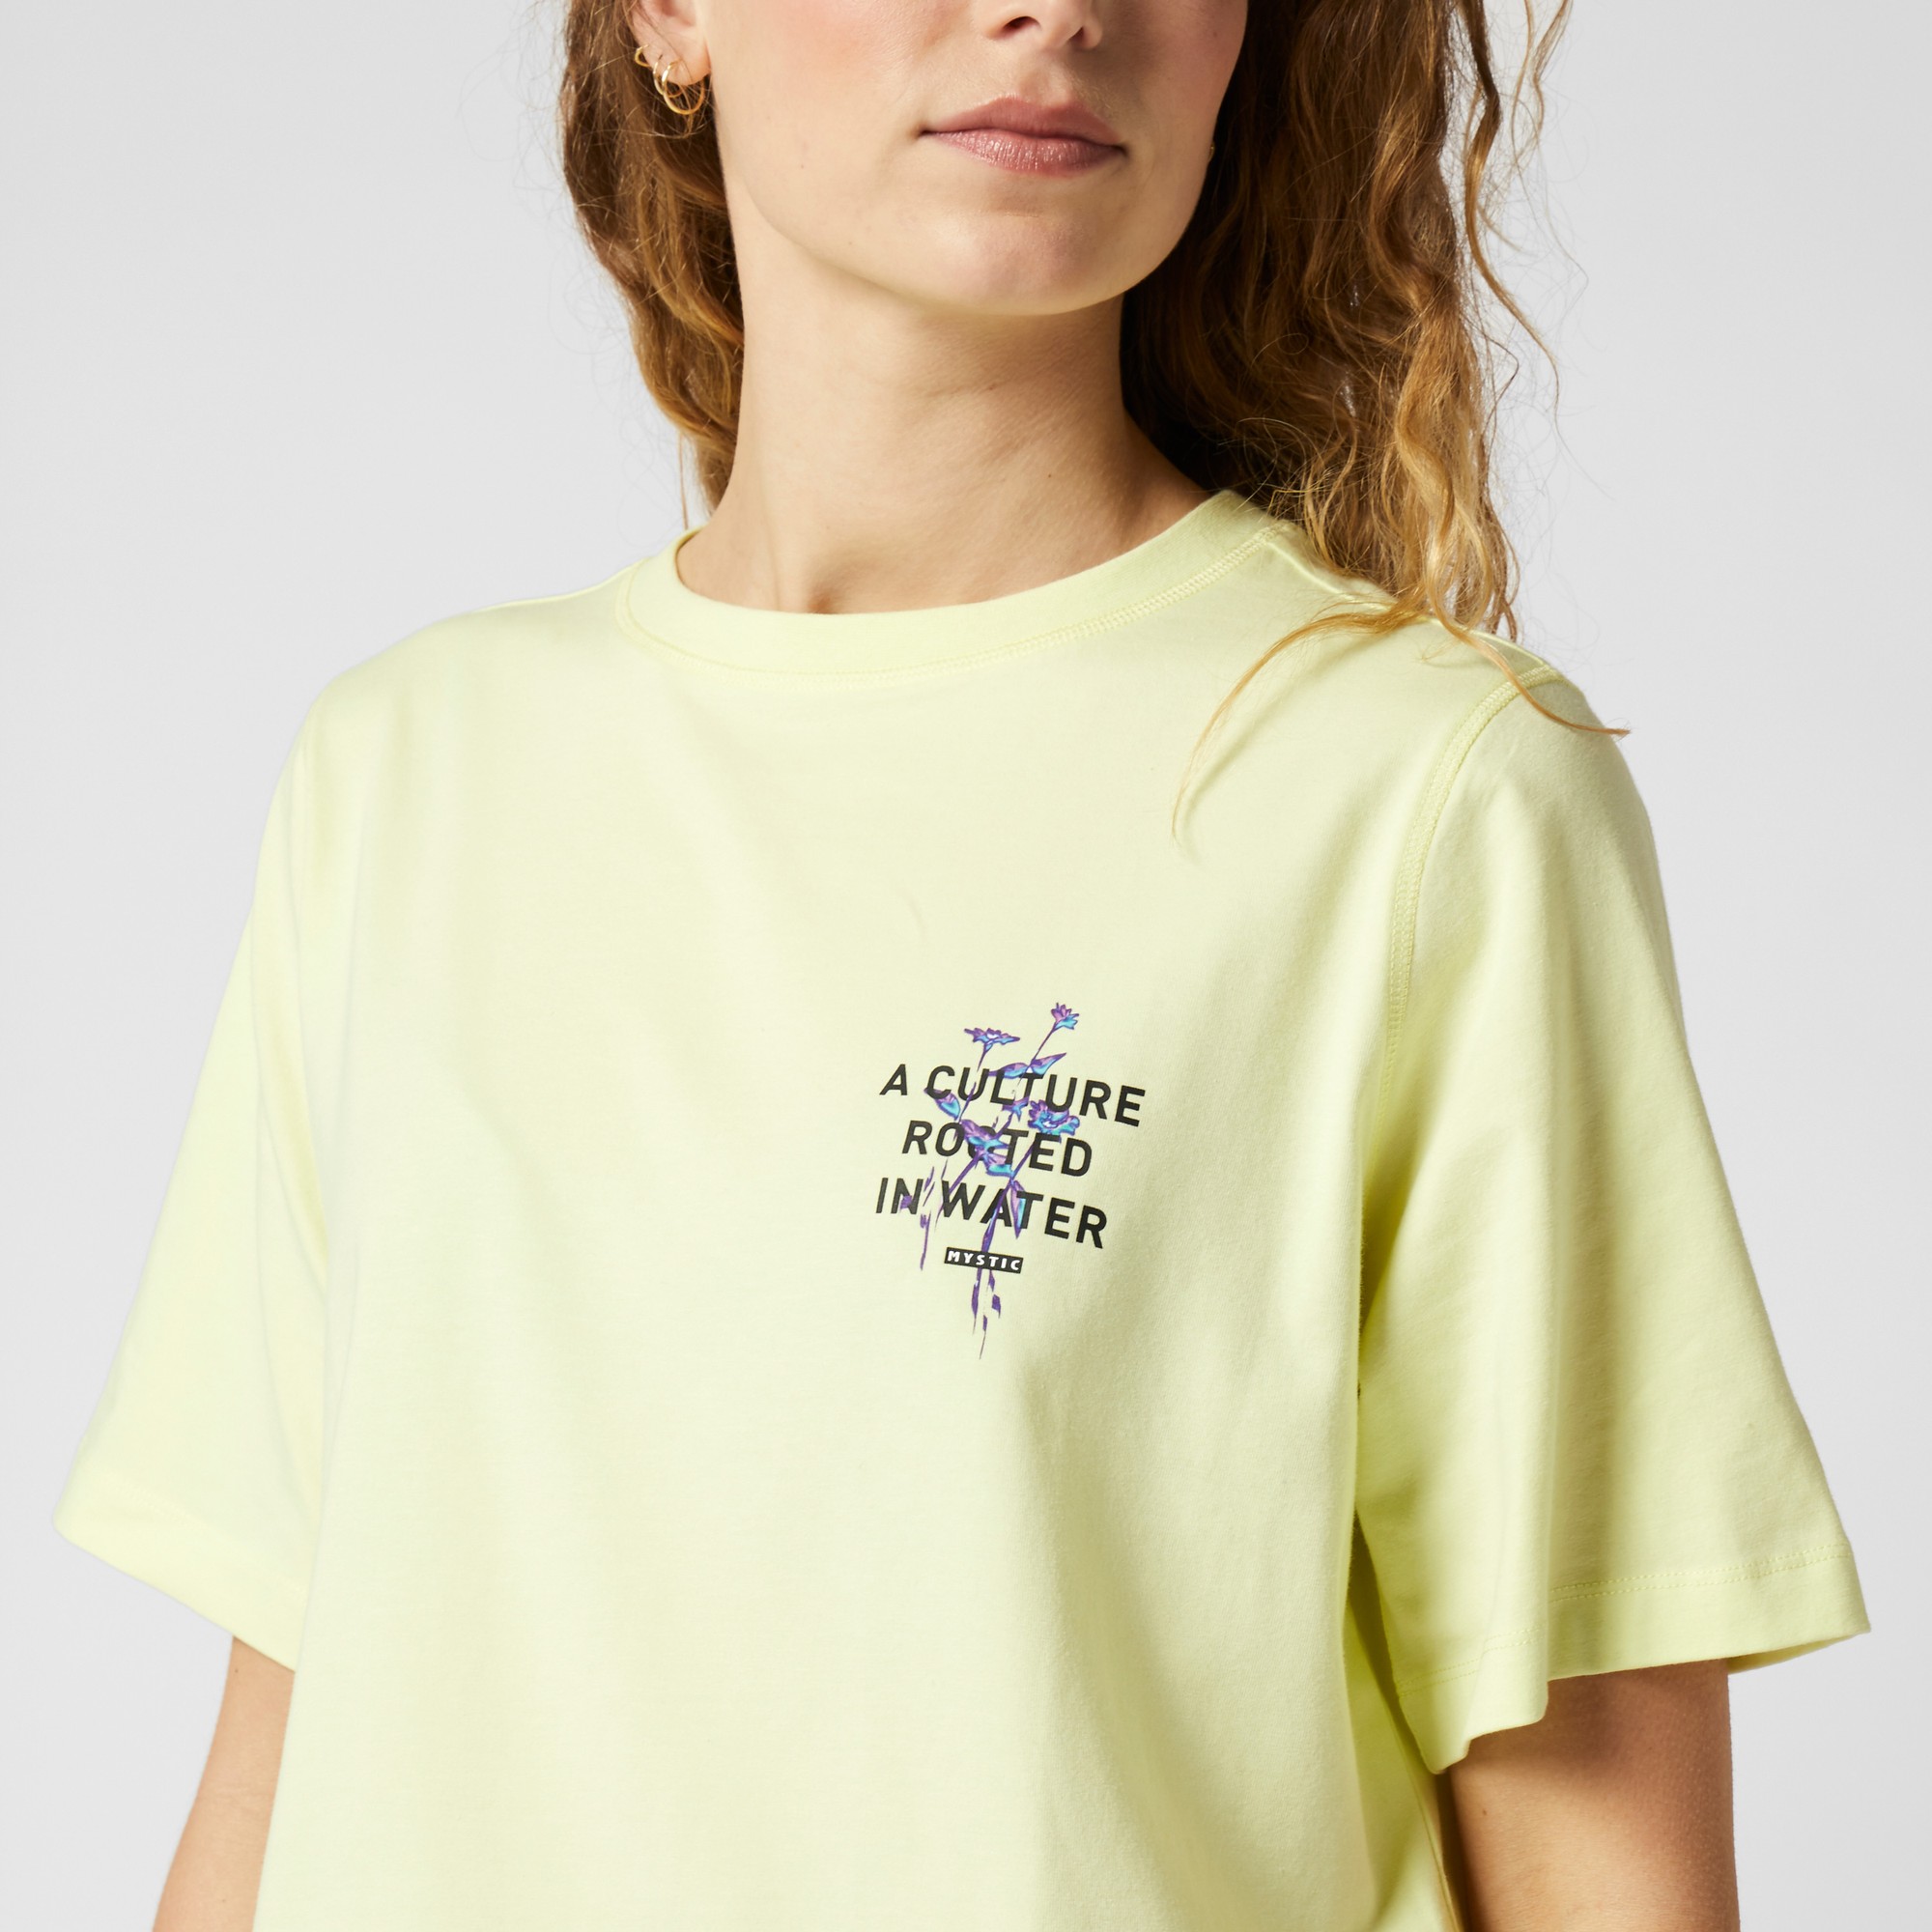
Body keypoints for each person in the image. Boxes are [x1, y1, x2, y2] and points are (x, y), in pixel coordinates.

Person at [54, 2, 1868, 1928]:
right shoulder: (407, 776)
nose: (1060, 9)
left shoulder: (1425, 797)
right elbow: (291, 1754)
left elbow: (1597, 1842)